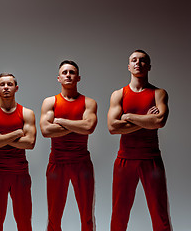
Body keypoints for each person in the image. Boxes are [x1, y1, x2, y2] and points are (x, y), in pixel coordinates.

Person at [107, 50, 172, 231]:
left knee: (160, 214)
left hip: (151, 159)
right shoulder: (118, 94)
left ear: (149, 66)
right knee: (119, 213)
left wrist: (128, 116)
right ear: (128, 66)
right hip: (125, 160)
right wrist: (145, 120)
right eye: (134, 60)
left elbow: (159, 121)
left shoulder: (159, 93)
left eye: (143, 61)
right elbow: (113, 127)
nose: (138, 63)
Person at [40, 60, 97, 231]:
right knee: (53, 216)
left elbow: (89, 127)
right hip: (57, 163)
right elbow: (46, 130)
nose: (68, 75)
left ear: (78, 77)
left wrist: (61, 121)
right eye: (64, 73)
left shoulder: (89, 103)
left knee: (87, 216)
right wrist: (76, 126)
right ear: (58, 78)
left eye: (72, 72)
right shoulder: (50, 102)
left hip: (82, 163)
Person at [0, 73, 37, 231]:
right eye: (3, 84)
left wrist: (1, 138)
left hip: (20, 172)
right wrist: (17, 133)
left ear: (16, 88)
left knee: (24, 221)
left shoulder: (26, 113)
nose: (6, 87)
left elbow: (30, 143)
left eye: (10, 84)